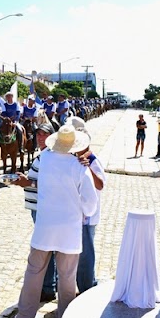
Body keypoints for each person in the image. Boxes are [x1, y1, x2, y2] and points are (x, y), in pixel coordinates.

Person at [16, 125, 97, 318]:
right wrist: (82, 211)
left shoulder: (44, 158)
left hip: (45, 227)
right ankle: (65, 315)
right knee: (67, 278)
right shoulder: (79, 167)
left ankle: (25, 315)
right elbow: (91, 204)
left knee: (33, 273)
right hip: (69, 230)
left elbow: (35, 182)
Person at [13, 123, 57, 302]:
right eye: (37, 134)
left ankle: (48, 287)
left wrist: (27, 183)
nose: (39, 138)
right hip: (38, 208)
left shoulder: (49, 156)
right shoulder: (43, 155)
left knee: (45, 249)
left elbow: (49, 186)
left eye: (43, 135)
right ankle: (50, 284)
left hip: (43, 209)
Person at [67, 116, 106, 294]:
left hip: (88, 216)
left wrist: (87, 167)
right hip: (78, 214)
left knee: (86, 254)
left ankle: (87, 287)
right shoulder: (76, 158)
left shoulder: (92, 160)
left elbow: (100, 184)